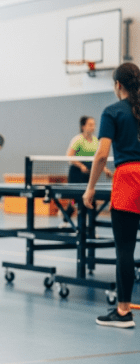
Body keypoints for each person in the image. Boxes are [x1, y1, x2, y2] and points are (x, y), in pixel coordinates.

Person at [83, 62, 140, 329]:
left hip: (129, 178)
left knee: (125, 249)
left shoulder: (113, 112)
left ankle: (123, 311)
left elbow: (102, 154)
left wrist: (91, 187)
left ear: (117, 85)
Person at [61, 116, 111, 226]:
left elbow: (97, 159)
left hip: (89, 174)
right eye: (90, 124)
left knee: (90, 199)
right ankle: (66, 219)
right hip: (76, 173)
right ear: (83, 126)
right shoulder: (77, 139)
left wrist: (105, 169)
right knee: (74, 201)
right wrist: (81, 166)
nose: (93, 127)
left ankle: (91, 227)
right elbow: (69, 156)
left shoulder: (95, 141)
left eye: (94, 124)